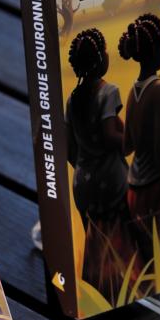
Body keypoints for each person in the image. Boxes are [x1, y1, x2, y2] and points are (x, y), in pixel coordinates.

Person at [65, 28, 138, 303]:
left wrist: (86, 165)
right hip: (111, 180)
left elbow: (69, 147)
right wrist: (130, 139)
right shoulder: (108, 92)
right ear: (99, 60)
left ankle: (94, 293)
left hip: (83, 183)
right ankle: (123, 290)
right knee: (122, 235)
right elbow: (110, 134)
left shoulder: (73, 99)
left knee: (94, 242)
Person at [119, 14, 160, 255]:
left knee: (148, 257)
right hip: (156, 189)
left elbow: (127, 146)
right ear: (155, 51)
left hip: (134, 190)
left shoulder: (132, 93)